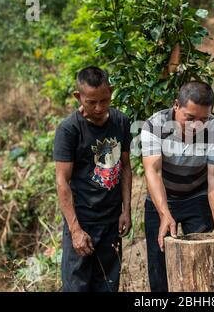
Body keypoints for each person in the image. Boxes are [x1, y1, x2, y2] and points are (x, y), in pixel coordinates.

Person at [141, 81, 214, 292]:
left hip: (197, 196)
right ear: (176, 105)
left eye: (203, 119)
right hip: (162, 198)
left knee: (203, 259)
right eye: (190, 118)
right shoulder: (154, 125)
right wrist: (164, 213)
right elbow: (153, 171)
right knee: (159, 264)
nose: (197, 126)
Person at [53, 66, 132, 292]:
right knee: (77, 287)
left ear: (111, 92)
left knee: (108, 286)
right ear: (79, 97)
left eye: (104, 100)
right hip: (82, 222)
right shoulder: (68, 130)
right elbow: (62, 182)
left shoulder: (121, 121)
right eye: (91, 102)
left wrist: (126, 210)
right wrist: (75, 230)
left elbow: (126, 167)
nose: (99, 108)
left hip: (111, 222)